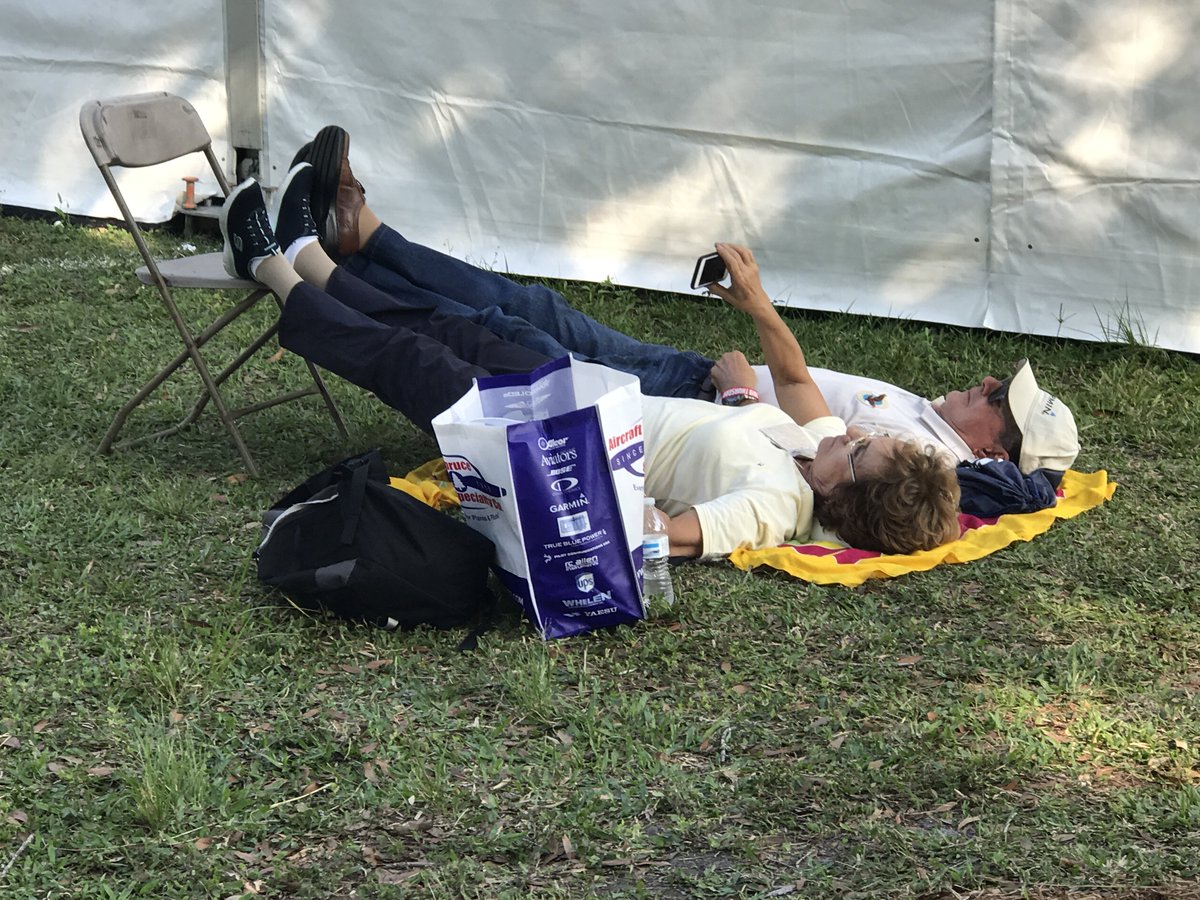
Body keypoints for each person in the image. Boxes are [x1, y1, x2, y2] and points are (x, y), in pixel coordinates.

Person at [221, 160, 961, 558]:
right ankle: (307, 258)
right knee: (446, 326)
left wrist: (595, 493)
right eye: (871, 434)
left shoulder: (777, 508)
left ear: (847, 499)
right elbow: (797, 385)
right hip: (576, 392)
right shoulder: (808, 449)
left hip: (555, 441)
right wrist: (746, 391)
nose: (854, 433)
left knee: (406, 357)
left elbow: (669, 535)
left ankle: (267, 265)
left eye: (862, 451)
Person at [292, 126, 1080, 481]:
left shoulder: (925, 463)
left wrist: (752, 339)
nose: (982, 384)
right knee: (526, 307)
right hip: (699, 382)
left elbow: (811, 445)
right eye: (994, 383)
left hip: (696, 406)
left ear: (998, 452)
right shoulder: (935, 425)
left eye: (995, 401)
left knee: (495, 330)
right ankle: (356, 239)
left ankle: (326, 263)